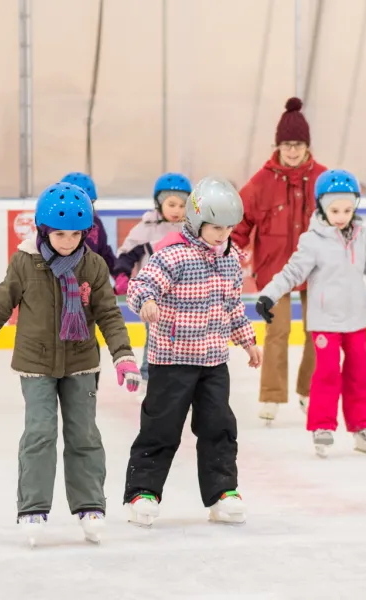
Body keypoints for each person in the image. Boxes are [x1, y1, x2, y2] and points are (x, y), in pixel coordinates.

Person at [0, 181, 139, 546]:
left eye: (75, 234)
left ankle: (89, 504)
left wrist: (123, 356)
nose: (68, 241)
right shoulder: (26, 262)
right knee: (40, 433)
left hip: (82, 363)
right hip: (35, 364)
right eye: (60, 234)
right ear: (44, 230)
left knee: (84, 433)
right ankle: (33, 508)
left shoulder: (94, 265)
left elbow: (109, 315)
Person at [123, 176, 262, 527]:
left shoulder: (230, 260)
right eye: (215, 227)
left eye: (228, 228)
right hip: (171, 359)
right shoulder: (173, 255)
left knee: (219, 426)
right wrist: (147, 302)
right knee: (161, 427)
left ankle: (221, 493)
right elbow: (141, 285)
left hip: (213, 360)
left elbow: (233, 307)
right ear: (197, 221)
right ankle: (143, 491)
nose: (222, 234)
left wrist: (247, 340)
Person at [255, 169, 366, 457]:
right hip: (325, 322)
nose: (342, 215)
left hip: (357, 320)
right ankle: (323, 426)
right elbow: (291, 273)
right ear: (322, 207)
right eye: (335, 209)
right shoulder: (312, 240)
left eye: (348, 209)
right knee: (326, 374)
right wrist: (269, 294)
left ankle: (363, 425)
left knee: (360, 373)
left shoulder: (362, 236)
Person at [232, 97, 326, 422]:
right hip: (275, 269)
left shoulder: (322, 179)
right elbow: (240, 220)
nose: (292, 151)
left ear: (307, 146)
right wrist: (231, 250)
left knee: (319, 330)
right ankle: (271, 396)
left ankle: (309, 391)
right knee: (278, 331)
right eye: (286, 144)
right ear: (278, 145)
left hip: (317, 269)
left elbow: (343, 219)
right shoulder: (262, 181)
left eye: (298, 144)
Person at [113, 172, 191, 384]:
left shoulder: (192, 228)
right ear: (159, 203)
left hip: (185, 296)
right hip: (153, 297)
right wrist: (122, 275)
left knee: (186, 338)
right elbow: (127, 254)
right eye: (171, 204)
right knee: (155, 335)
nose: (177, 210)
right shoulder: (147, 228)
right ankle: (148, 375)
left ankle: (184, 377)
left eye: (182, 205)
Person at [60, 172, 118, 272]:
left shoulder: (95, 224)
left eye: (88, 203)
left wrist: (118, 273)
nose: (83, 210)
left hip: (90, 280)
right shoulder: (55, 225)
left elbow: (104, 251)